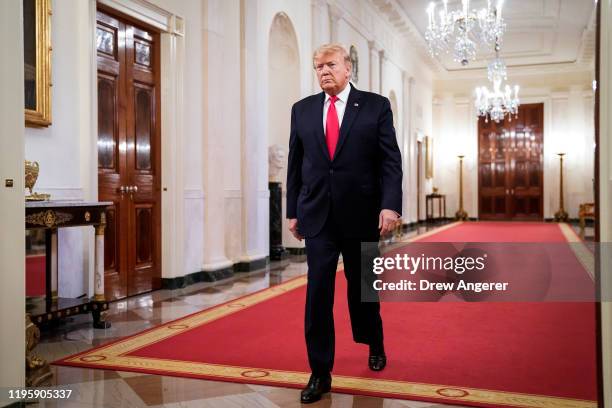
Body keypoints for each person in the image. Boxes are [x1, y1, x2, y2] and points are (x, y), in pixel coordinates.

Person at [286, 43, 403, 404]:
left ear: (348, 68)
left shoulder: (375, 106)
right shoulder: (302, 110)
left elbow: (389, 162)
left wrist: (389, 207)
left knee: (363, 289)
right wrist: (292, 211)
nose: (324, 71)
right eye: (318, 66)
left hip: (364, 215)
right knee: (317, 294)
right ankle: (320, 372)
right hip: (318, 217)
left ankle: (374, 341)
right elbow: (295, 163)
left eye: (331, 65)